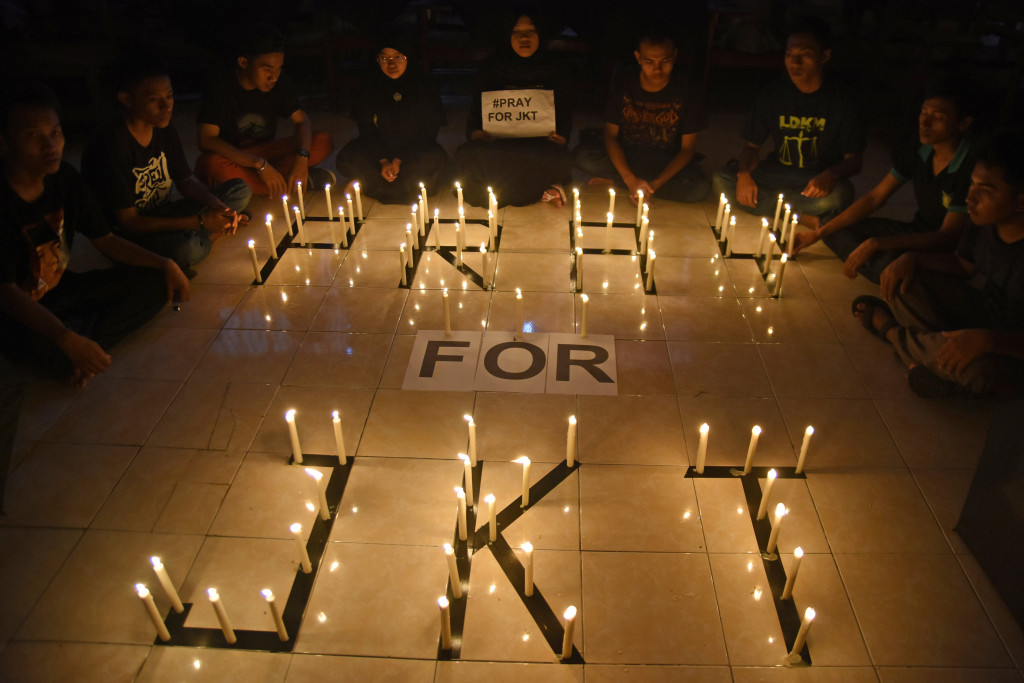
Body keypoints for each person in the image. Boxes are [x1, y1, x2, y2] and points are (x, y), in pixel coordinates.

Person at [0, 84, 189, 510]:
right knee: (53, 355)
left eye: (56, 132)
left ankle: (87, 344)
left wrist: (163, 265)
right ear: (5, 143)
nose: (51, 145)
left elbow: (105, 240)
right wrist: (65, 339)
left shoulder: (64, 179)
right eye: (33, 136)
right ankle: (75, 347)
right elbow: (8, 294)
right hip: (15, 315)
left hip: (60, 293)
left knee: (154, 282)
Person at [851, 131, 1024, 398]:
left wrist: (988, 340)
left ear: (1021, 201)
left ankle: (892, 333)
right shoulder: (983, 223)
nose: (970, 198)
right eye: (972, 185)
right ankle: (935, 357)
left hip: (1011, 349)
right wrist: (912, 258)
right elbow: (963, 266)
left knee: (980, 371)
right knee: (904, 280)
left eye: (985, 190)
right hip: (984, 315)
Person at [792, 79, 979, 282]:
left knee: (885, 255)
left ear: (963, 123)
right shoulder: (920, 149)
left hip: (945, 251)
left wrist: (880, 243)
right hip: (917, 230)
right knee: (832, 227)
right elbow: (875, 197)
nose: (924, 123)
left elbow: (947, 236)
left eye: (938, 116)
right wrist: (818, 234)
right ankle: (890, 270)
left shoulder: (972, 168)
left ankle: (895, 272)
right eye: (924, 112)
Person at [82, 56, 252, 272]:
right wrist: (201, 222)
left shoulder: (162, 126)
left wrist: (216, 205)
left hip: (164, 213)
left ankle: (207, 229)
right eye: (154, 99)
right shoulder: (111, 145)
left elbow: (186, 181)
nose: (166, 106)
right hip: (128, 234)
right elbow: (130, 223)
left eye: (170, 96)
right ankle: (205, 234)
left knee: (239, 190)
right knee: (189, 249)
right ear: (127, 99)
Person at [712, 16, 866, 226]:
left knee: (841, 195)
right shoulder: (772, 94)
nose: (795, 62)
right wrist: (744, 174)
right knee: (723, 180)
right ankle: (800, 215)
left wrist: (831, 174)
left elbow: (854, 160)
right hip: (778, 172)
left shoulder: (843, 99)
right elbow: (751, 146)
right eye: (790, 54)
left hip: (816, 177)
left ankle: (776, 208)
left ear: (824, 56)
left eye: (805, 54)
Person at [194, 26, 334, 198]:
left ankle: (259, 184)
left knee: (322, 140)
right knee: (208, 165)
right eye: (267, 69)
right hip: (235, 157)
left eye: (278, 68)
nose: (274, 77)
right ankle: (290, 184)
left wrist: (302, 158)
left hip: (268, 153)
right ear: (244, 62)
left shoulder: (279, 81)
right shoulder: (221, 86)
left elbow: (302, 121)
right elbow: (206, 139)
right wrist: (258, 164)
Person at [574, 29, 710, 204]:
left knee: (699, 189)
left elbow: (687, 149)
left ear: (675, 55)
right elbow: (610, 135)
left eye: (665, 61)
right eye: (649, 61)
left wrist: (656, 184)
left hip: (665, 160)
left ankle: (624, 183)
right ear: (638, 57)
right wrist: (629, 177)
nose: (657, 68)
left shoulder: (688, 89)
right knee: (581, 156)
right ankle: (630, 182)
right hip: (627, 155)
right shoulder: (623, 81)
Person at [454, 12, 573, 208]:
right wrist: (476, 132)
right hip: (498, 143)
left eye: (530, 31)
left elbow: (565, 110)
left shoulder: (556, 68)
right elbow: (476, 109)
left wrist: (561, 136)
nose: (524, 38)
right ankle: (542, 188)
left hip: (539, 143)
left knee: (562, 157)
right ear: (507, 36)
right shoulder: (491, 67)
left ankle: (510, 188)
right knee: (467, 153)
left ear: (540, 35)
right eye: (516, 32)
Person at [335, 34, 450, 204]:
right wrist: (383, 161)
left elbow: (428, 134)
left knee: (435, 159)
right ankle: (402, 187)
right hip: (378, 151)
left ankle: (368, 184)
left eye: (398, 57)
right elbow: (366, 132)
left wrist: (398, 160)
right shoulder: (369, 87)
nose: (391, 64)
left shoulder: (424, 87)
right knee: (346, 158)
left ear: (409, 57)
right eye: (384, 58)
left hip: (413, 152)